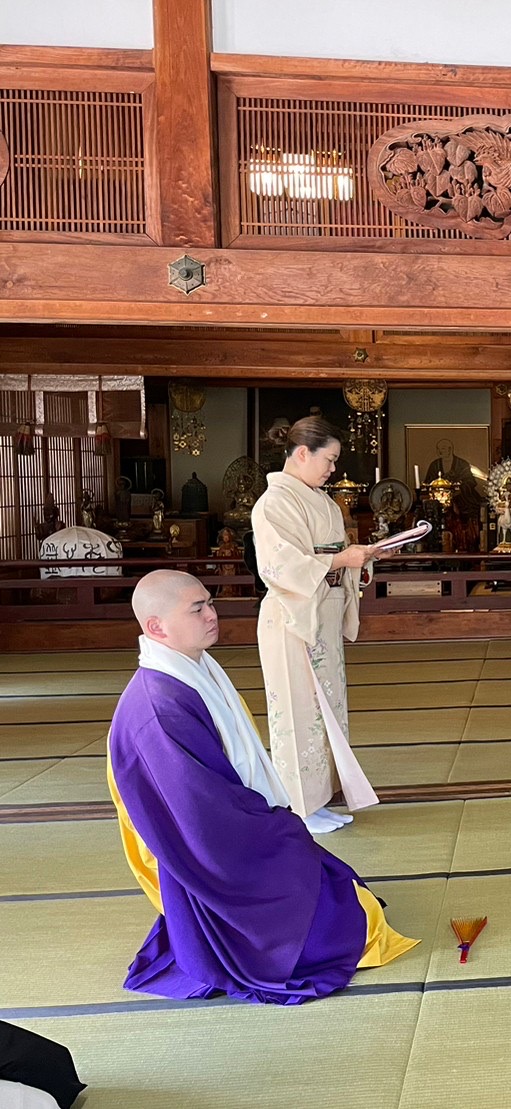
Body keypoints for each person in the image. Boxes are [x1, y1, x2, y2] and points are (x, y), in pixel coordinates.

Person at [107, 570, 417, 1004]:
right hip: (210, 847)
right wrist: (273, 825)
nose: (212, 615)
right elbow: (198, 813)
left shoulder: (189, 668)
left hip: (232, 821)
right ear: (156, 627)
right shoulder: (160, 707)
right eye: (197, 609)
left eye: (210, 603)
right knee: (336, 924)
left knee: (340, 891)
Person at [252, 416, 385, 829]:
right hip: (293, 618)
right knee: (297, 711)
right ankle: (299, 807)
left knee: (326, 710)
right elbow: (280, 565)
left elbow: (336, 556)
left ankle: (320, 797)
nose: (333, 468)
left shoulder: (323, 501)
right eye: (328, 459)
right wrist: (342, 558)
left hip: (322, 612)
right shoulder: (274, 502)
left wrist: (362, 560)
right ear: (302, 453)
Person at [426, 438, 485, 518]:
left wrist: (459, 489)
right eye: (438, 449)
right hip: (440, 496)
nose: (440, 451)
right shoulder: (435, 464)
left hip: (461, 496)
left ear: (450, 449)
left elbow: (470, 481)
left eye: (443, 449)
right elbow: (428, 482)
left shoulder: (462, 464)